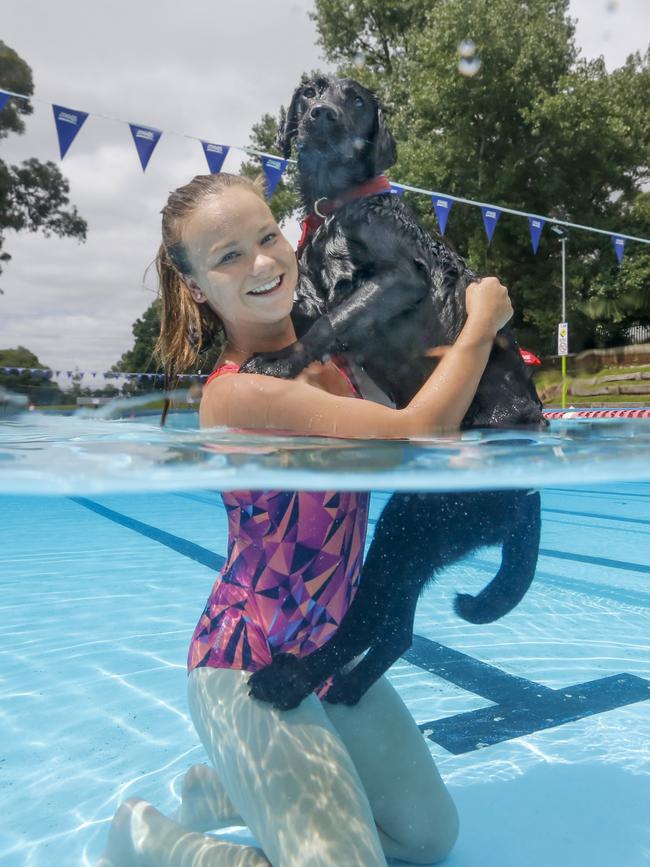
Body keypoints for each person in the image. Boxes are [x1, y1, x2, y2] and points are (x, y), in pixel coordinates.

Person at [96, 172, 513, 867]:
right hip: (246, 664)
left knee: (429, 837)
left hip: (330, 649)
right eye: (229, 255)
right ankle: (147, 836)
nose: (263, 262)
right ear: (196, 285)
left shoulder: (329, 355)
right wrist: (481, 322)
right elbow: (416, 431)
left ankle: (235, 794)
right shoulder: (241, 396)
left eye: (268, 236)